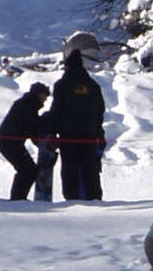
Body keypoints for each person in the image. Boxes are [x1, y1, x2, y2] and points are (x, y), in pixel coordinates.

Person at [43, 48, 106, 200]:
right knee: (90, 168)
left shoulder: (62, 85)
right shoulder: (93, 85)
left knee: (70, 169)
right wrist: (97, 131)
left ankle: (72, 197)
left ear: (67, 66)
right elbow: (100, 110)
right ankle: (94, 197)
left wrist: (51, 131)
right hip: (90, 136)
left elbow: (56, 109)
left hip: (68, 136)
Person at [0, 82, 50, 201]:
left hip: (11, 142)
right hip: (9, 142)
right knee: (28, 170)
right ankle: (18, 199)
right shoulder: (28, 105)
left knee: (28, 170)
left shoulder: (29, 104)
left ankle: (18, 198)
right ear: (38, 94)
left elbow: (31, 129)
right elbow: (32, 127)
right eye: (45, 95)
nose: (46, 98)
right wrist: (45, 119)